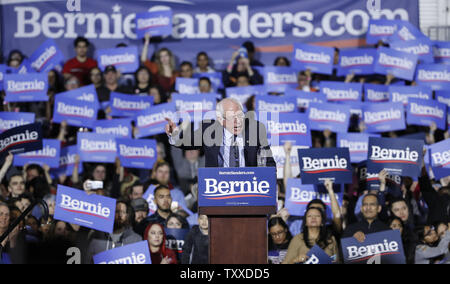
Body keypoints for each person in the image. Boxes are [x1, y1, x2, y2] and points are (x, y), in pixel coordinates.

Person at [165, 97, 276, 168]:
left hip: (249, 186)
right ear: (220, 119)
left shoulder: (255, 129)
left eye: (240, 116)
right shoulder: (209, 129)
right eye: (232, 118)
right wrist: (174, 133)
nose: (238, 122)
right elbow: (187, 142)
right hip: (218, 187)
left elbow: (269, 163)